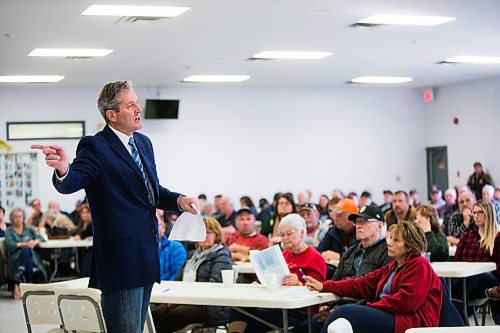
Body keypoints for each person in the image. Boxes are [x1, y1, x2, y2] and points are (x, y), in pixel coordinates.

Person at [31, 80, 198, 333]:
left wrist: (177, 201)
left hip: (145, 253)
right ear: (112, 114)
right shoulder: (95, 146)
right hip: (120, 259)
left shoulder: (143, 143)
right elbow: (73, 181)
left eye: (137, 103)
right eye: (131, 105)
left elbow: (150, 193)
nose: (138, 109)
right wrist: (64, 169)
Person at [305, 221, 443, 333]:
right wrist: (324, 286)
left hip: (408, 321)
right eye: (390, 238)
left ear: (409, 246)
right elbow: (362, 283)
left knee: (345, 312)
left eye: (396, 240)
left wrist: (371, 307)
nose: (389, 243)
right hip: (391, 314)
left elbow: (406, 301)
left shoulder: (419, 264)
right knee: (343, 314)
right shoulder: (394, 265)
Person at [295, 206, 391, 332]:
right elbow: (336, 282)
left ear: (380, 226)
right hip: (340, 308)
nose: (359, 225)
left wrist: (337, 310)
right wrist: (327, 306)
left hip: (365, 311)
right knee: (301, 329)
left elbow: (376, 292)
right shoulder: (349, 252)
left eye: (365, 221)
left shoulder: (387, 252)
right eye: (357, 222)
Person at [227, 214, 326, 333]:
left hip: (299, 310)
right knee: (239, 307)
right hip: (276, 302)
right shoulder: (283, 254)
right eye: (282, 235)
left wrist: (299, 283)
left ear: (302, 232)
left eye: (289, 233)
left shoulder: (315, 258)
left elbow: (318, 291)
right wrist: (260, 282)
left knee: (257, 316)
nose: (285, 238)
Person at [152, 217, 232, 332]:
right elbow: (177, 281)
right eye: (201, 232)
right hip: (185, 299)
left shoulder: (221, 255)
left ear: (217, 235)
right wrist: (174, 299)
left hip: (209, 306)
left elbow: (214, 286)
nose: (204, 236)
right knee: (155, 314)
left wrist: (183, 300)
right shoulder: (191, 255)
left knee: (170, 319)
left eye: (208, 232)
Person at [453, 199, 500, 324]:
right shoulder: (467, 237)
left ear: (488, 214)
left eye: (480, 212)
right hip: (466, 282)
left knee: (480, 276)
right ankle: (459, 322)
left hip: (489, 281)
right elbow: (456, 261)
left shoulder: (497, 237)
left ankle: (457, 320)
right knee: (453, 285)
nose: (476, 216)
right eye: (474, 213)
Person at [5, 208, 48, 298]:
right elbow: (10, 245)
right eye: (15, 217)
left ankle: (18, 279)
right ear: (12, 219)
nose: (18, 219)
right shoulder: (9, 230)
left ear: (23, 217)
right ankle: (28, 286)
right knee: (26, 251)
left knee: (27, 253)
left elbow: (41, 238)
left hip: (30, 255)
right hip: (15, 256)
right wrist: (26, 244)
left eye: (20, 216)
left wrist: (35, 242)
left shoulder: (28, 228)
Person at [157, 211, 187, 281]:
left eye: (155, 225)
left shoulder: (176, 248)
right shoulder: (139, 250)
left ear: (163, 227)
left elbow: (176, 278)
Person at [73, 203, 93, 277]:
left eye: (86, 212)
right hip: (82, 248)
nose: (84, 215)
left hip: (91, 249)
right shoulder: (81, 223)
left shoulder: (93, 224)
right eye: (82, 213)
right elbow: (78, 233)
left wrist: (80, 236)